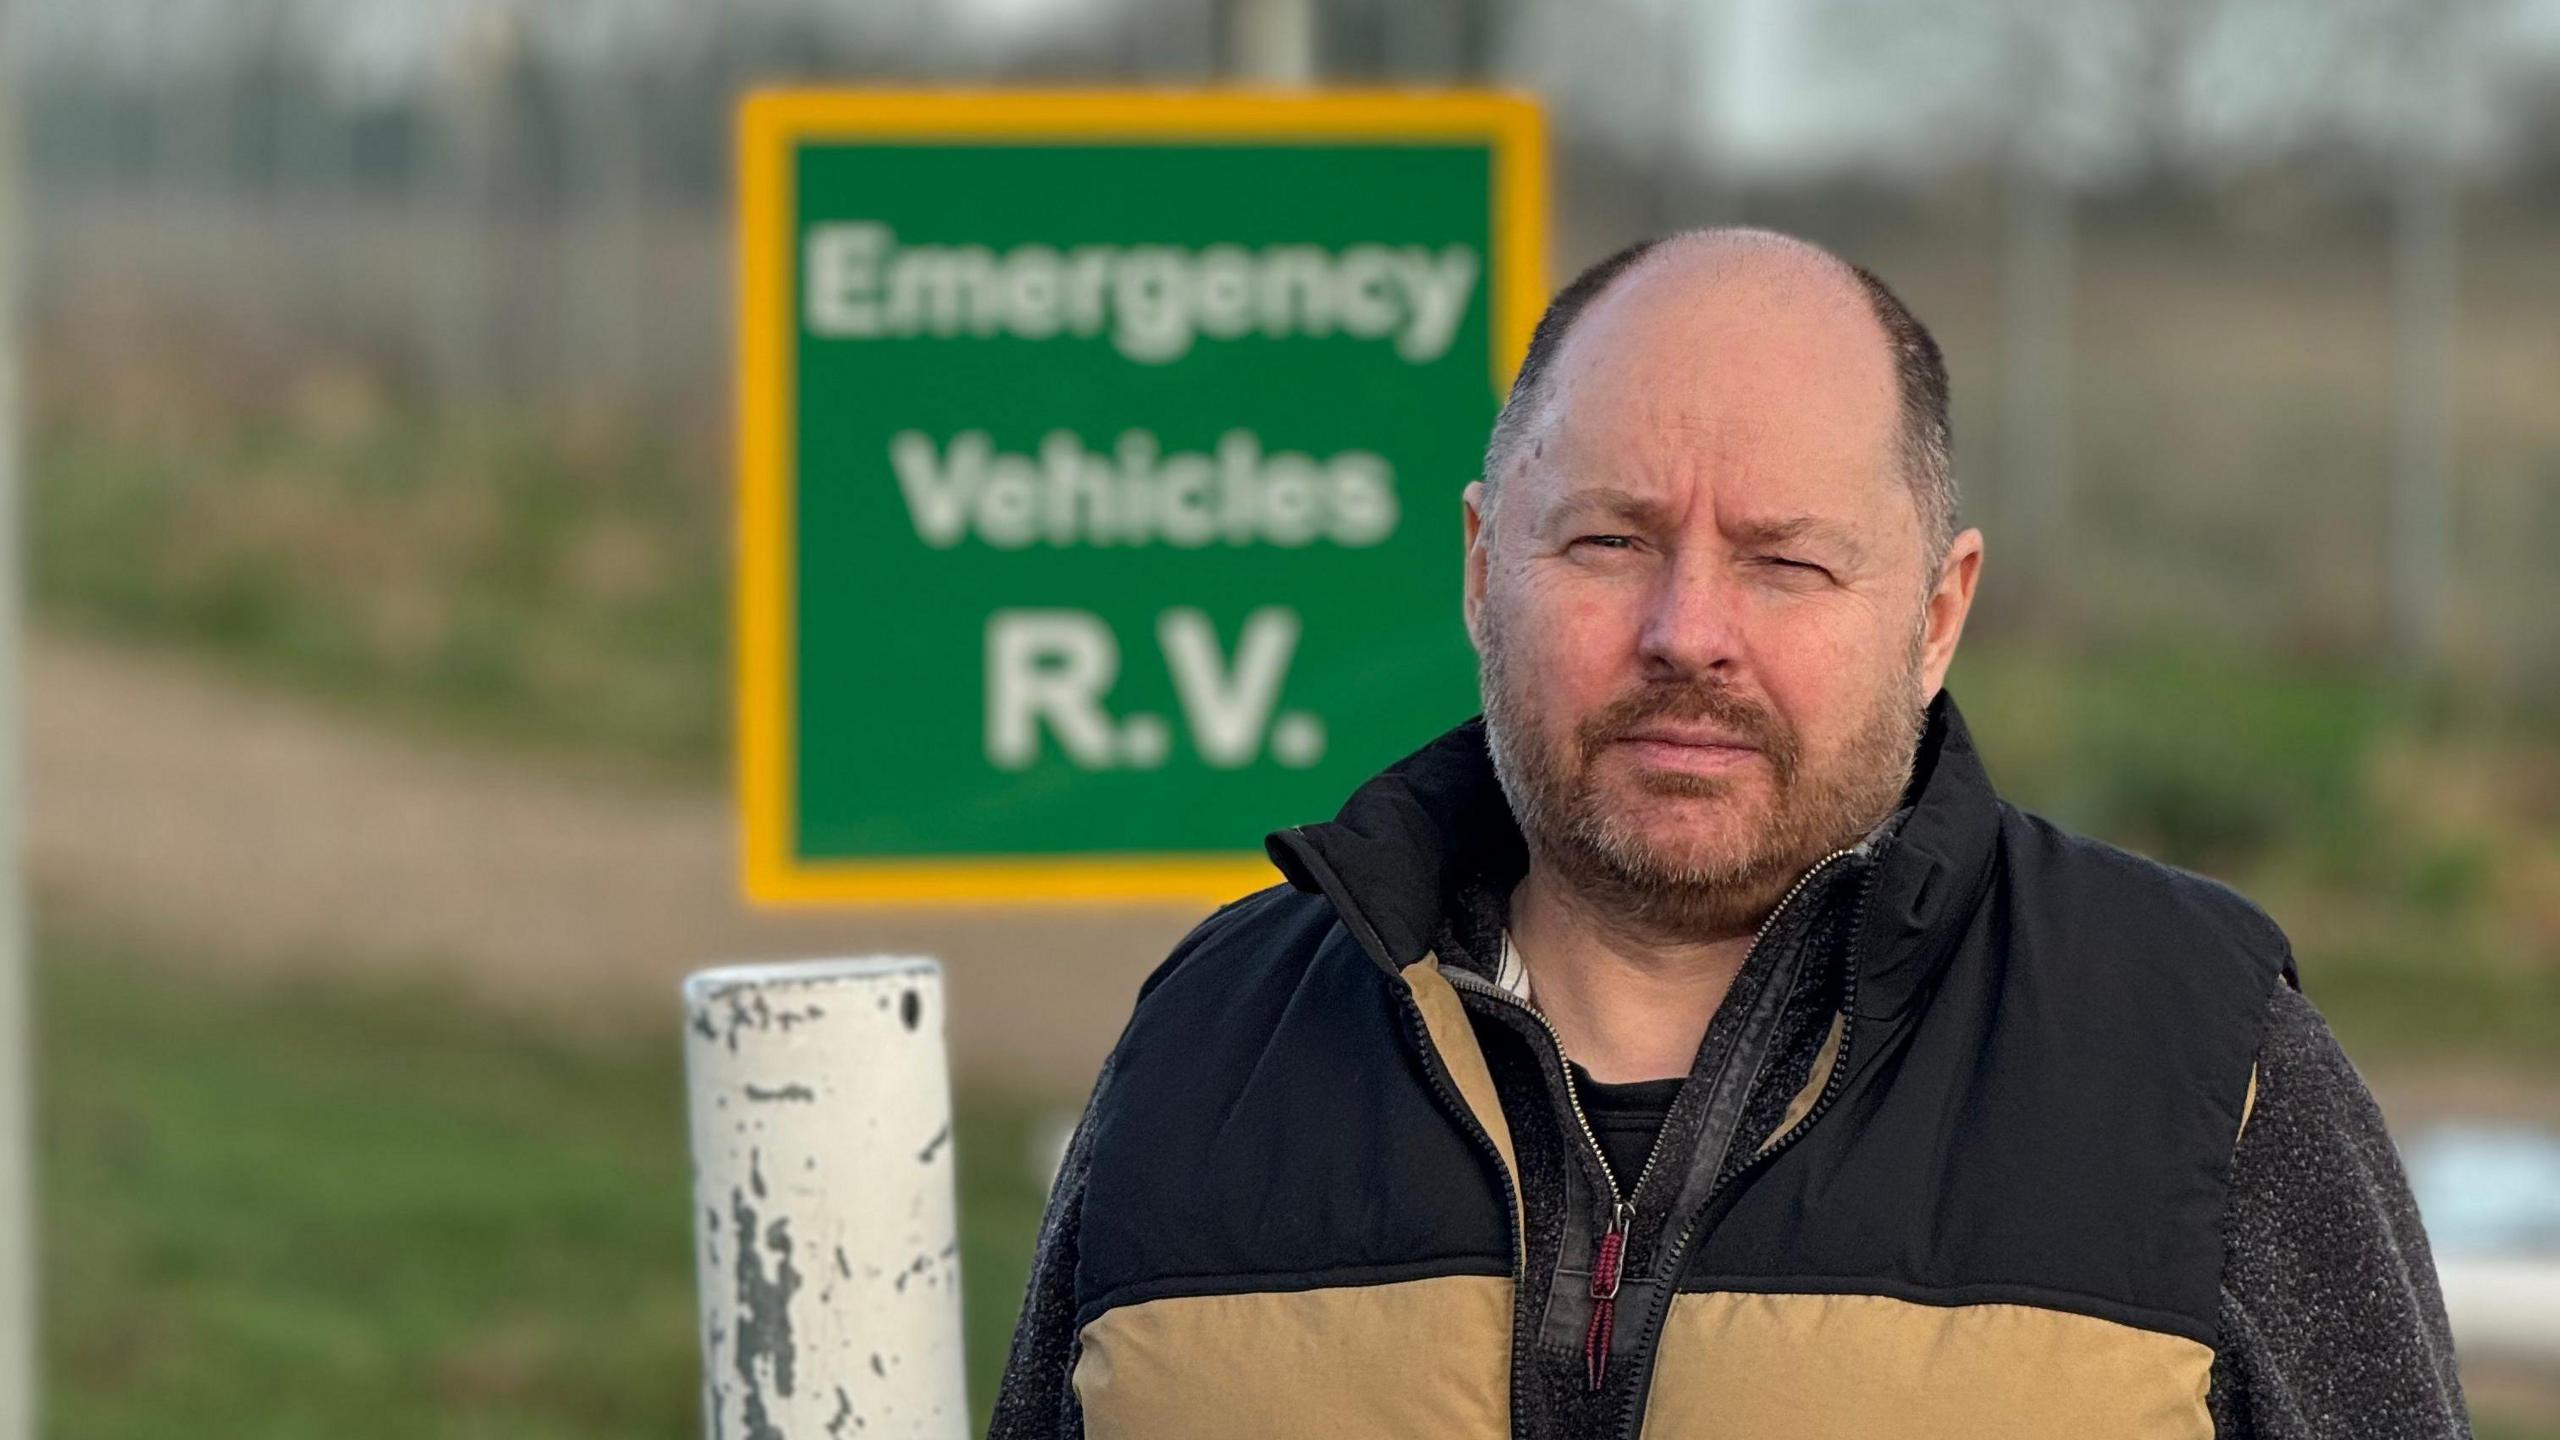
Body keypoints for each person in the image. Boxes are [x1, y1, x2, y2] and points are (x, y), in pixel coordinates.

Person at [985, 228, 2470, 1440]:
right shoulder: (1203, 1056)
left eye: (1788, 561)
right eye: (1611, 540)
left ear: (1937, 615)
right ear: (1482, 567)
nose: (1688, 632)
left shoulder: (2208, 1069)